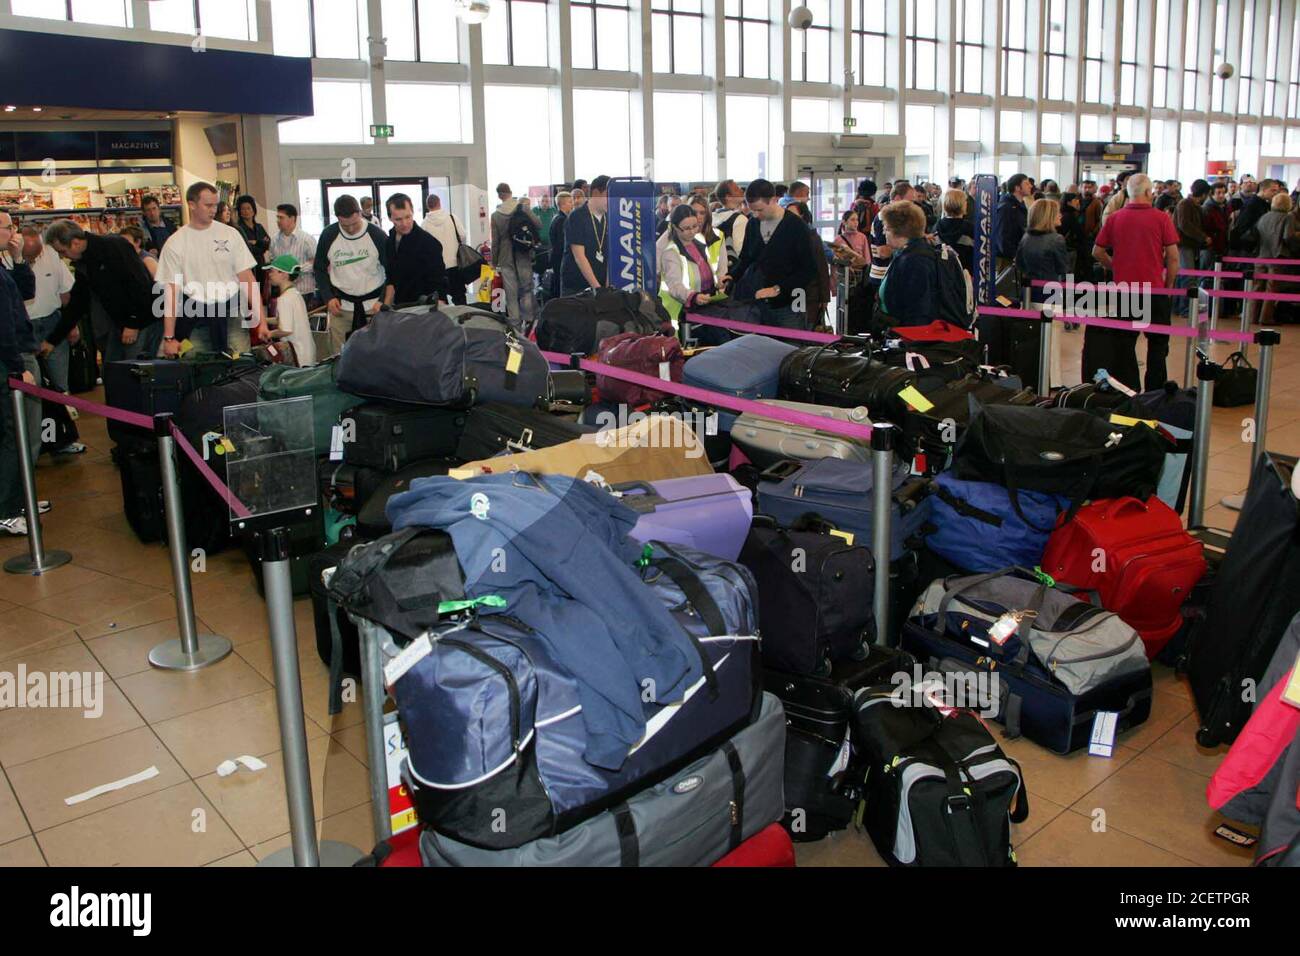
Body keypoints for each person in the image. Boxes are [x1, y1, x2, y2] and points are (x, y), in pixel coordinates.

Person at [1091, 174, 1180, 392]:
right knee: (1158, 345)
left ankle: (1129, 389)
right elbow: (1173, 257)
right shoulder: (1162, 219)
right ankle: (1155, 391)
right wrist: (1168, 286)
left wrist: (1115, 266)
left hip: (1124, 292)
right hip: (1154, 291)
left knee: (1124, 343)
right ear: (1149, 193)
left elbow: (1097, 251)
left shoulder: (1115, 218)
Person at [155, 182, 265, 357]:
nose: (214, 209)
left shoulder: (231, 234)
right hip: (194, 318)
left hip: (232, 314)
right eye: (208, 205)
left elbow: (248, 278)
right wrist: (169, 337)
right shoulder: (175, 243)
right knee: (198, 371)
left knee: (241, 369)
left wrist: (261, 320)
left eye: (215, 204)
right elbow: (171, 291)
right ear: (191, 205)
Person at [43, 218, 163, 362]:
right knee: (115, 372)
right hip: (119, 324)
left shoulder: (113, 247)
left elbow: (140, 284)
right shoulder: (84, 262)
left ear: (75, 243)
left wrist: (133, 323)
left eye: (62, 251)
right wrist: (53, 340)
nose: (62, 256)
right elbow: (78, 302)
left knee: (135, 374)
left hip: (142, 322)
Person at [17, 224, 82, 456]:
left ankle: (63, 438)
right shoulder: (8, 260)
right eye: (27, 256)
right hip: (24, 329)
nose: (32, 260)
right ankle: (31, 443)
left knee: (60, 385)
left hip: (52, 323)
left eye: (35, 255)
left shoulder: (52, 255)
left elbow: (66, 294)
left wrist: (71, 325)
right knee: (31, 391)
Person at [731, 178, 818, 329]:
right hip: (758, 303)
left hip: (789, 304)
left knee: (792, 349)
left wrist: (777, 289)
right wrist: (731, 276)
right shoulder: (753, 223)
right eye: (752, 210)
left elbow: (808, 269)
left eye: (760, 210)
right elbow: (746, 258)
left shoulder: (796, 226)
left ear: (773, 200)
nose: (756, 215)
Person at [312, 193, 389, 357]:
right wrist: (328, 297)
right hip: (342, 307)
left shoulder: (377, 235)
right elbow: (319, 269)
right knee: (339, 357)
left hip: (373, 306)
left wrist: (383, 300)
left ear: (360, 213)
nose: (351, 229)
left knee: (377, 356)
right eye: (345, 225)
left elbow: (393, 272)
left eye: (354, 223)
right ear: (337, 218)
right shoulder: (328, 235)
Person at [0, 258, 40, 536]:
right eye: (5, 227)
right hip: (8, 366)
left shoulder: (5, 268)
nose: (11, 232)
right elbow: (4, 327)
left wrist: (17, 261)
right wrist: (17, 368)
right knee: (15, 436)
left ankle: (16, 500)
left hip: (10, 361)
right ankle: (7, 510)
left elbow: (25, 292)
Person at [656, 203, 730, 324]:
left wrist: (719, 282)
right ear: (674, 227)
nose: (692, 232)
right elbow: (675, 285)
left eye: (695, 226)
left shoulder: (700, 240)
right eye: (686, 228)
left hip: (706, 300)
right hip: (682, 311)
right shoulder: (670, 253)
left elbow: (706, 269)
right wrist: (693, 296)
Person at [489, 183, 542, 332]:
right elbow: (538, 225)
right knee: (526, 290)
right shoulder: (522, 208)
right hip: (523, 254)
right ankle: (529, 324)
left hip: (506, 259)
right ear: (511, 192)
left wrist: (494, 263)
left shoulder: (496, 215)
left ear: (499, 195)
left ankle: (516, 329)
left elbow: (495, 242)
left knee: (511, 295)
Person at [876, 201, 937, 327]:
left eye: (886, 228)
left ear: (900, 232)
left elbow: (918, 309)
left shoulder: (916, 261)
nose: (883, 233)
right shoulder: (905, 253)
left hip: (906, 336)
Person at [383, 192, 446, 307]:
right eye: (398, 219)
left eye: (408, 217)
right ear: (390, 218)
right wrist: (386, 306)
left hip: (424, 308)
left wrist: (439, 302)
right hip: (400, 307)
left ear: (412, 212)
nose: (405, 223)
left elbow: (438, 280)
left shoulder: (429, 243)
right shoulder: (390, 240)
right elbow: (391, 277)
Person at [560, 174, 610, 295]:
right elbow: (579, 257)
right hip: (576, 287)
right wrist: (598, 288)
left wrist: (607, 287)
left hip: (600, 286)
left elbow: (610, 255)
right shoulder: (576, 217)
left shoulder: (609, 218)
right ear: (596, 193)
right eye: (608, 196)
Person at [1255, 192, 1299, 326]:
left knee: (1257, 287)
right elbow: (1288, 237)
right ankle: (1266, 318)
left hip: (1261, 255)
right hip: (1277, 256)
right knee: (1271, 288)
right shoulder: (1287, 218)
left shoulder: (1264, 216)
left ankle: (1252, 316)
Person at [265, 255, 316, 367]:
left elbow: (286, 330)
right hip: (307, 352)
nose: (269, 275)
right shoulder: (295, 294)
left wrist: (269, 334)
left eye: (272, 271)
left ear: (284, 274)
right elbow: (283, 320)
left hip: (298, 356)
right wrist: (263, 320)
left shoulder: (284, 299)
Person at [1173, 180, 1212, 316]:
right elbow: (1185, 225)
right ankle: (1185, 309)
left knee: (1182, 277)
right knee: (1187, 277)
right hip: (1184, 245)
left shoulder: (1193, 206)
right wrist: (1203, 237)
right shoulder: (1185, 204)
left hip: (1188, 245)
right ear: (1203, 194)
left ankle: (1178, 307)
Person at [269, 203, 319, 309]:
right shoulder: (274, 240)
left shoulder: (306, 239)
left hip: (303, 290)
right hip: (283, 290)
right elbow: (273, 261)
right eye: (277, 217)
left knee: (301, 322)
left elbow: (316, 261)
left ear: (292, 218)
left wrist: (295, 270)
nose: (278, 221)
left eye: (281, 217)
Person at [790, 201, 831, 326]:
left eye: (791, 213)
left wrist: (824, 298)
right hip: (792, 292)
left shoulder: (812, 237)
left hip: (809, 294)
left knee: (807, 326)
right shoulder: (786, 236)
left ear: (802, 216)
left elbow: (822, 268)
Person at [422, 193, 467, 304]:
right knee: (459, 297)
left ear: (428, 206)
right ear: (439, 203)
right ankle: (464, 319)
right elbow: (462, 235)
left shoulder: (424, 224)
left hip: (437, 269)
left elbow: (423, 248)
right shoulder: (452, 218)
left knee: (441, 301)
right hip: (454, 264)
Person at [832, 209, 871, 334]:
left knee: (857, 308)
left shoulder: (862, 237)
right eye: (852, 220)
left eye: (857, 220)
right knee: (843, 308)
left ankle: (855, 332)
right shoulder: (838, 240)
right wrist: (833, 285)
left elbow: (867, 260)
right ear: (844, 222)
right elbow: (835, 264)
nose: (856, 223)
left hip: (859, 280)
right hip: (844, 279)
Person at [994, 173, 1032, 275]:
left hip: (1017, 255)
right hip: (1007, 258)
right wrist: (1013, 255)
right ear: (1017, 187)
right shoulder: (1006, 207)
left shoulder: (1020, 205)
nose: (1031, 186)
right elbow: (1002, 235)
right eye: (1026, 183)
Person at [712, 179, 749, 272]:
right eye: (736, 189)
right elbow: (740, 250)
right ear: (728, 197)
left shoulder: (712, 216)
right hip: (732, 269)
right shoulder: (739, 219)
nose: (741, 191)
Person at [935, 188, 975, 274]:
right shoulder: (970, 229)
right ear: (962, 205)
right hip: (965, 274)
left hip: (942, 275)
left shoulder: (937, 227)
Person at [233, 195, 271, 284]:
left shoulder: (259, 227)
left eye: (248, 208)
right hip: (247, 268)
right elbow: (247, 248)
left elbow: (268, 244)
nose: (246, 211)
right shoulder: (238, 229)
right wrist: (261, 245)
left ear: (253, 210)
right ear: (239, 212)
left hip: (261, 265)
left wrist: (256, 242)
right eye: (243, 209)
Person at [545, 191, 573, 300]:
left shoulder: (556, 218)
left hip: (555, 257)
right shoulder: (562, 220)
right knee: (559, 286)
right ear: (563, 204)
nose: (572, 204)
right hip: (560, 258)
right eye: (570, 202)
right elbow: (562, 244)